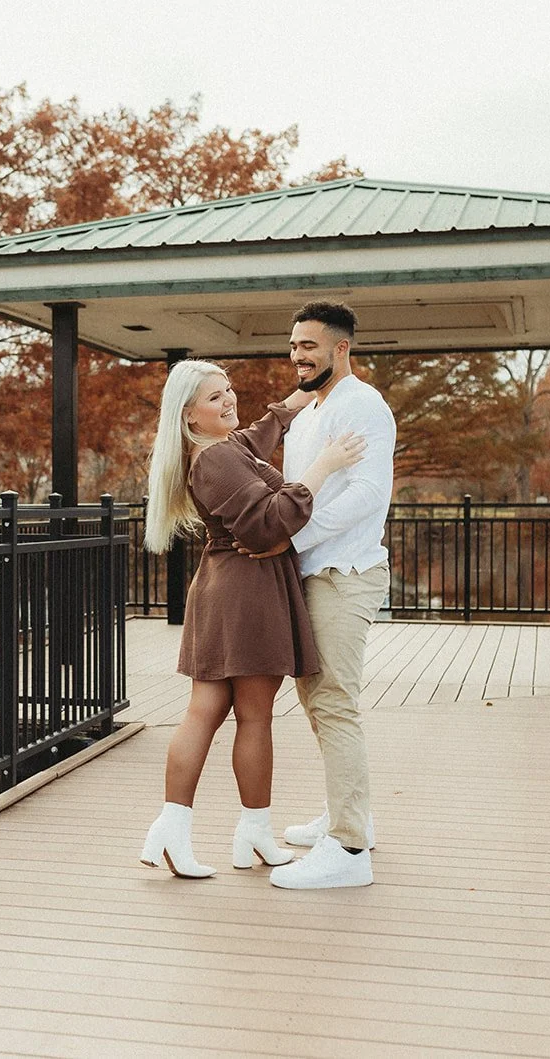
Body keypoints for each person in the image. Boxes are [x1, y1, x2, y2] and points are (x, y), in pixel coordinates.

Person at [139, 359, 365, 878]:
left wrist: (293, 403)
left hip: (225, 590)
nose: (229, 400)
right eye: (215, 397)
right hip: (247, 590)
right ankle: (251, 832)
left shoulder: (223, 449)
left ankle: (181, 830)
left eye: (229, 389)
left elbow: (259, 436)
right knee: (253, 717)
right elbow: (269, 524)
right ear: (189, 415)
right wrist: (324, 464)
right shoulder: (214, 460)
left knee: (206, 712)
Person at [251, 301, 396, 890]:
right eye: (292, 346)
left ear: (341, 350)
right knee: (316, 699)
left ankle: (350, 848)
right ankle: (349, 811)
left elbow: (367, 495)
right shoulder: (313, 409)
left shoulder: (363, 405)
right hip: (311, 570)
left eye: (308, 346)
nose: (296, 356)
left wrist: (291, 534)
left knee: (333, 701)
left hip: (345, 570)